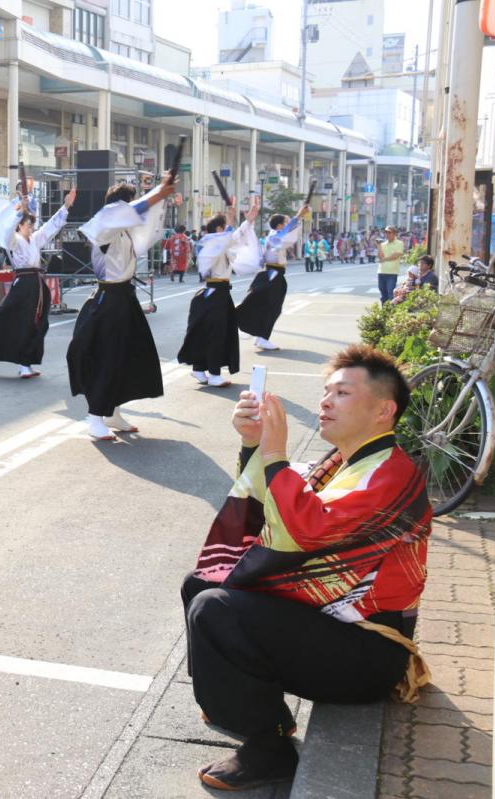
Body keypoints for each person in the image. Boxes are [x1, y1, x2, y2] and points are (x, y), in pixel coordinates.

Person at [182, 344, 431, 791]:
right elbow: (270, 512)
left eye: (342, 393)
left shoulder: (389, 474)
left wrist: (274, 454)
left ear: (384, 410)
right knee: (202, 581)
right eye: (326, 392)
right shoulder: (349, 462)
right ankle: (232, 700)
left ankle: (269, 746)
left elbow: (303, 533)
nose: (326, 401)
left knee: (216, 609)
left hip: (369, 652)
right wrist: (254, 445)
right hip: (337, 629)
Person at [68, 177, 174, 440]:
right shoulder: (105, 223)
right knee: (106, 358)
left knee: (129, 357)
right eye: (127, 204)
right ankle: (95, 417)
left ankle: (113, 411)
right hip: (109, 300)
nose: (129, 210)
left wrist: (160, 191)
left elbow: (145, 219)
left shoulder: (122, 228)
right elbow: (132, 211)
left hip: (125, 297)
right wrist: (158, 194)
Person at [0, 187, 76, 378]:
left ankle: (27, 361)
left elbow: (51, 227)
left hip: (37, 285)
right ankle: (22, 363)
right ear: (19, 225)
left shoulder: (34, 239)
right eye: (28, 224)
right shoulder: (13, 240)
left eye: (32, 224)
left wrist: (66, 205)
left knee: (38, 323)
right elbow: (8, 230)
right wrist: (20, 211)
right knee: (22, 322)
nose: (31, 227)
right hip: (23, 284)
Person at [177, 197, 261, 388]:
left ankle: (199, 369)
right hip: (215, 294)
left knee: (210, 333)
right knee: (216, 334)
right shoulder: (211, 243)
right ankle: (213, 373)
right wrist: (232, 220)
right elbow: (227, 239)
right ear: (218, 229)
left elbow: (236, 237)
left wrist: (248, 221)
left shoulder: (218, 241)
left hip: (218, 294)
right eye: (224, 227)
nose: (228, 230)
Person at [236, 204, 309, 352]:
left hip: (272, 274)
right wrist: (299, 215)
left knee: (268, 307)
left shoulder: (273, 236)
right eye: (286, 223)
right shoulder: (275, 237)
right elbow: (288, 234)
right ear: (280, 225)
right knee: (272, 308)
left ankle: (261, 337)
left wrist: (299, 216)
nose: (288, 225)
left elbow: (288, 234)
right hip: (272, 275)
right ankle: (262, 338)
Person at [377, 225, 405, 303]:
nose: (387, 234)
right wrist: (379, 246)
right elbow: (380, 257)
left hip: (392, 273)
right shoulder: (383, 244)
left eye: (389, 232)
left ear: (394, 233)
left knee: (390, 293)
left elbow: (395, 256)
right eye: (385, 232)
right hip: (381, 271)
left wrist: (384, 259)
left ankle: (390, 313)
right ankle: (384, 312)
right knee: (383, 294)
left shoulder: (399, 243)